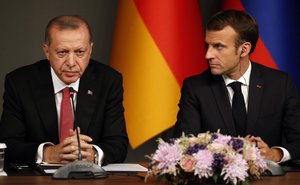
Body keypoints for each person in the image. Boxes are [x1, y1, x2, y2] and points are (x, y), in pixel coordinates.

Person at [0, 15, 128, 166]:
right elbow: (6, 145)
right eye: (62, 52)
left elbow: (118, 144)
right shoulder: (20, 82)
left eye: (80, 52)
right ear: (47, 51)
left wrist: (92, 154)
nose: (72, 63)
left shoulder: (108, 81)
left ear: (90, 50)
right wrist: (48, 153)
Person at [174, 10, 300, 163]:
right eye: (208, 46)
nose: (208, 55)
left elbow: (297, 140)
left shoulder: (280, 84)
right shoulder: (195, 87)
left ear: (244, 49)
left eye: (218, 46)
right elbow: (183, 145)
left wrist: (275, 154)